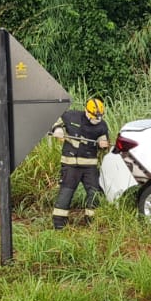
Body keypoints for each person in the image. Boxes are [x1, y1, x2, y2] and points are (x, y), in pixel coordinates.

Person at [51, 98, 111, 229]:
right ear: (87, 111)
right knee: (66, 192)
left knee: (94, 192)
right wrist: (57, 130)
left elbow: (104, 142)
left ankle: (92, 222)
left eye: (100, 116)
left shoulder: (102, 126)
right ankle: (59, 224)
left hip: (90, 166)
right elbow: (55, 121)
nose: (97, 119)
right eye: (95, 116)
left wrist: (103, 144)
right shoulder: (71, 116)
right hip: (70, 164)